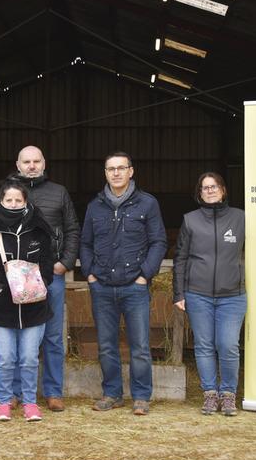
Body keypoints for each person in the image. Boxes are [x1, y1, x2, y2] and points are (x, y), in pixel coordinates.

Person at [79, 151, 167, 416]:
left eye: (121, 168)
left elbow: (158, 242)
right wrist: (90, 274)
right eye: (110, 169)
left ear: (131, 171)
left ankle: (141, 397)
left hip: (134, 286)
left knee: (139, 345)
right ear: (105, 173)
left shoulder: (147, 204)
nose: (115, 173)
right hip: (102, 285)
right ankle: (112, 393)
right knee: (106, 344)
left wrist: (145, 276)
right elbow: (85, 243)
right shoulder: (95, 206)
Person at [0, 179, 54, 422]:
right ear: (1, 201)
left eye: (19, 200)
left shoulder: (38, 230)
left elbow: (48, 261)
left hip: (35, 306)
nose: (14, 204)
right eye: (9, 199)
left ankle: (30, 402)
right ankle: (4, 401)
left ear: (26, 202)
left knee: (29, 358)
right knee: (6, 358)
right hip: (2, 307)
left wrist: (41, 284)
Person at [8, 145, 79, 412]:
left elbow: (73, 228)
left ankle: (53, 392)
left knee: (52, 336)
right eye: (26, 161)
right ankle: (15, 392)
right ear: (18, 164)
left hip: (50, 275)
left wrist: (65, 263)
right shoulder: (9, 191)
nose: (31, 166)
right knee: (18, 332)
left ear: (44, 163)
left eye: (36, 161)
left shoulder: (58, 192)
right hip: (18, 274)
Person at [173, 172, 246, 416]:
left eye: (214, 186)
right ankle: (210, 394)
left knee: (228, 345)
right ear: (200, 194)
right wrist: (178, 292)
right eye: (205, 188)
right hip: (198, 294)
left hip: (232, 295)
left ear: (223, 190)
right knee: (203, 345)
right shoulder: (191, 220)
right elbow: (180, 258)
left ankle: (228, 394)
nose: (210, 190)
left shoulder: (240, 218)